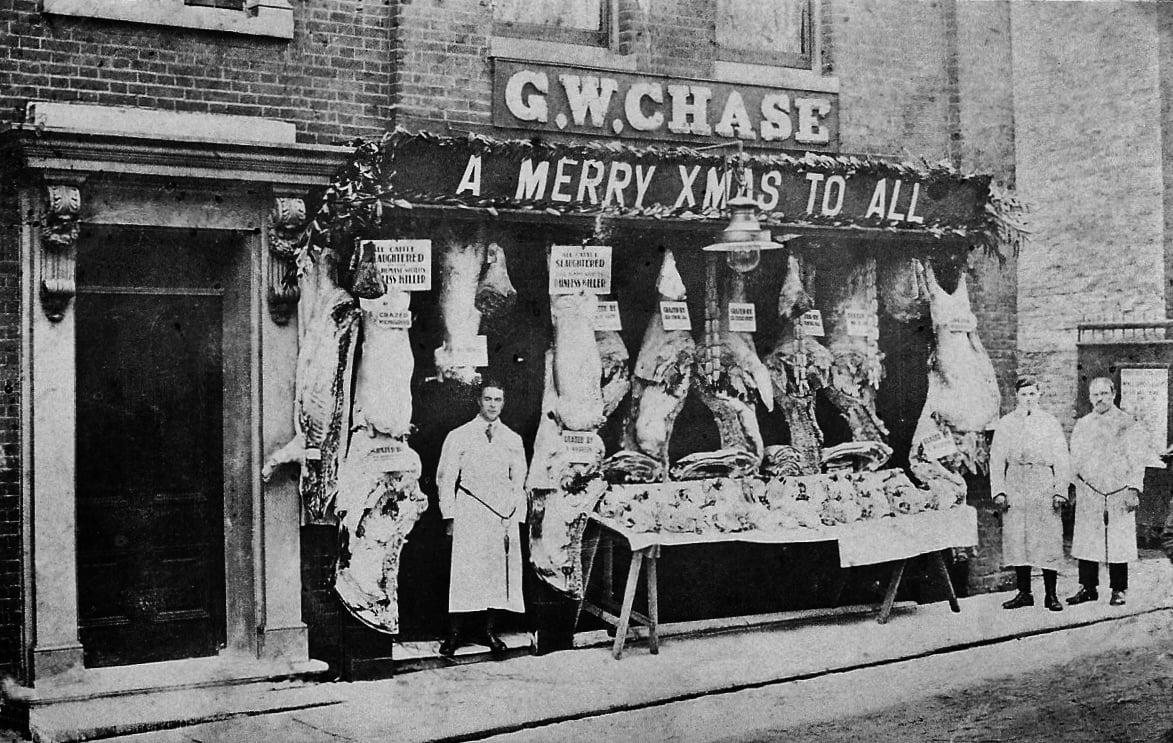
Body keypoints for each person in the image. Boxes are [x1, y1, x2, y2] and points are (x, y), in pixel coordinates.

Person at [435, 380, 529, 657]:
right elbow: (446, 478)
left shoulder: (512, 439)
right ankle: (455, 633)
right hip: (470, 511)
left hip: (501, 516)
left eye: (497, 400)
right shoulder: (459, 435)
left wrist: (516, 517)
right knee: (465, 572)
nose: (492, 405)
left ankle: (489, 631)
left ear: (504, 403)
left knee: (496, 574)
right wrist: (449, 515)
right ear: (478, 400)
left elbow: (519, 480)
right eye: (487, 399)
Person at [989, 376, 1071, 612]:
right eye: (1024, 394)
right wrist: (999, 491)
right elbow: (996, 459)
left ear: (1039, 395)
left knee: (1047, 539)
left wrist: (1060, 491)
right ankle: (1024, 593)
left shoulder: (1049, 423)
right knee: (1018, 539)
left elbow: (1062, 459)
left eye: (1032, 394)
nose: (1028, 398)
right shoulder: (1006, 423)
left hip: (1042, 482)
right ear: (1017, 396)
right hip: (1015, 481)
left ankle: (1051, 595)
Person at [1066, 377, 1148, 607]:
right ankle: (1088, 587)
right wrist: (1074, 485)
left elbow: (1137, 460)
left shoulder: (1127, 423)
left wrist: (1133, 488)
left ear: (1113, 394)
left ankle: (1119, 589)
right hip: (1089, 490)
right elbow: (1074, 458)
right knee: (1087, 539)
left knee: (1118, 540)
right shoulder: (1083, 424)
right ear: (1089, 397)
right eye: (1095, 395)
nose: (1099, 398)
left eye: (1104, 393)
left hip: (1118, 490)